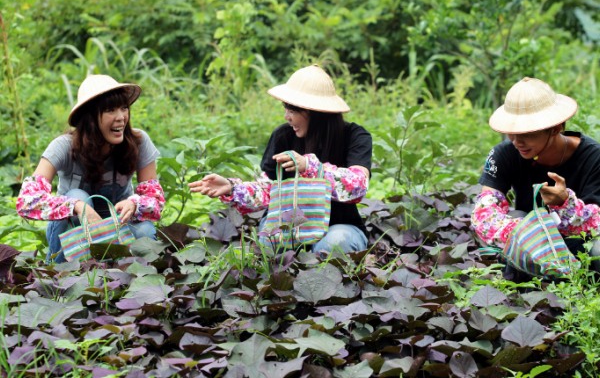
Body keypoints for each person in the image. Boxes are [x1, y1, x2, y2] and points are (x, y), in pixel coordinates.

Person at [189, 64, 372, 253]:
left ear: (315, 112)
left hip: (340, 225)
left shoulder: (354, 136)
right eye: (286, 109)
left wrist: (308, 167)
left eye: (292, 111)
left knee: (335, 242)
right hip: (289, 225)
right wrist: (232, 188)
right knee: (271, 241)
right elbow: (268, 189)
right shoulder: (283, 136)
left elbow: (357, 186)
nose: (287, 117)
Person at [16, 74, 165, 263]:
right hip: (74, 228)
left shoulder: (138, 142)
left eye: (124, 108)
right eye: (110, 110)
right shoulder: (64, 146)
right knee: (78, 195)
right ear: (90, 117)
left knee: (145, 230)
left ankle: (132, 280)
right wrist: (77, 207)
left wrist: (135, 203)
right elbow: (27, 200)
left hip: (117, 224)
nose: (121, 117)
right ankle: (58, 275)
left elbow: (155, 198)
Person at [471, 77, 600, 279]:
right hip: (530, 249)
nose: (517, 142)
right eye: (512, 133)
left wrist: (566, 205)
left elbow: (597, 224)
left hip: (581, 249)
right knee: (517, 218)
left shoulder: (594, 158)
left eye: (527, 134)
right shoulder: (503, 154)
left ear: (556, 128)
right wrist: (533, 231)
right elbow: (485, 212)